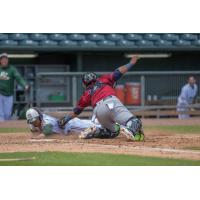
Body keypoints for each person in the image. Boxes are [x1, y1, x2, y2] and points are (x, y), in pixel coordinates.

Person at [58, 56, 144, 141]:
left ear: (85, 84)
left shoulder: (86, 94)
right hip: (110, 102)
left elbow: (76, 112)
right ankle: (130, 130)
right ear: (96, 78)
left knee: (113, 132)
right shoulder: (103, 79)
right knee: (135, 122)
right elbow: (118, 72)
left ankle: (96, 131)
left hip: (98, 112)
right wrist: (131, 63)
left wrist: (65, 120)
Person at [26, 107, 107, 139]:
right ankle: (99, 120)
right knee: (92, 125)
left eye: (35, 120)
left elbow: (45, 133)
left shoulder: (47, 121)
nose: (33, 123)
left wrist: (35, 138)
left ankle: (118, 126)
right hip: (67, 129)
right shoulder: (32, 123)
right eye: (31, 121)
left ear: (39, 117)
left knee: (94, 127)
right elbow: (34, 131)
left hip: (71, 126)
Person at [0, 53, 29, 121]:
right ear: (0, 61)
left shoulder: (12, 69)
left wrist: (25, 85)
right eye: (2, 59)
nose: (4, 60)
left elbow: (19, 78)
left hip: (9, 94)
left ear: (7, 60)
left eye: (5, 59)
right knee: (0, 115)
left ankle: (5, 129)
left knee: (7, 114)